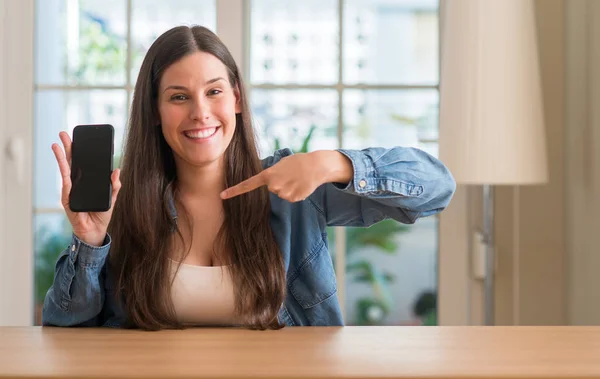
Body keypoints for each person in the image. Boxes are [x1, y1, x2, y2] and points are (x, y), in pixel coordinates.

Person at [42, 25, 456, 330]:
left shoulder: (294, 189)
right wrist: (91, 241)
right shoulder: (125, 204)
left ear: (237, 98)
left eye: (214, 91)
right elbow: (65, 331)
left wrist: (331, 164)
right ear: (154, 111)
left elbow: (436, 188)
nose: (200, 112)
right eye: (179, 97)